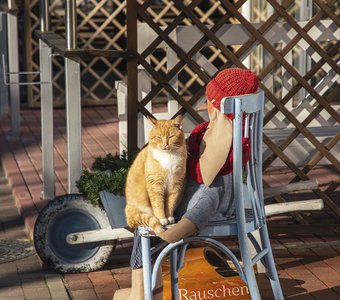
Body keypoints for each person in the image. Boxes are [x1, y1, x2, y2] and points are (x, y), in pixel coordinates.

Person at [113, 68, 259, 300]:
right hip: (221, 198)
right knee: (156, 211)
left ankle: (141, 293)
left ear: (215, 104)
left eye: (210, 102)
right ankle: (141, 291)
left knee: (159, 220)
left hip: (214, 203)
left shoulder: (227, 136)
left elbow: (209, 180)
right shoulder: (229, 131)